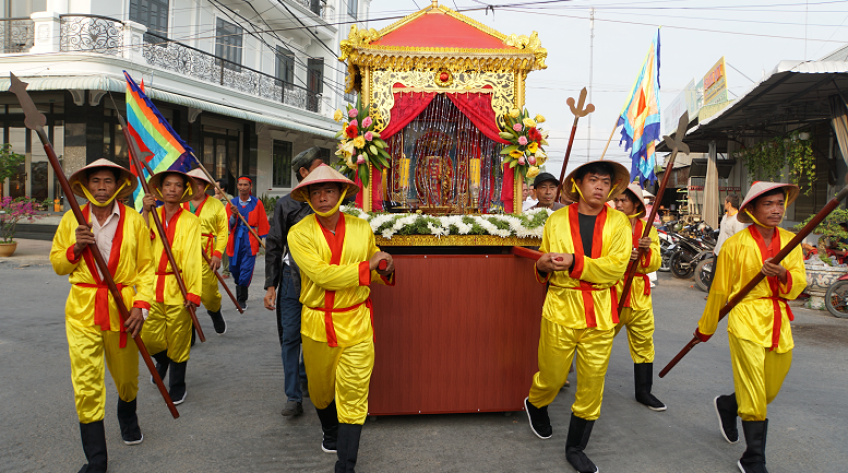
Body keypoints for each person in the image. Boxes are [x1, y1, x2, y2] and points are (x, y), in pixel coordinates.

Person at [524, 160, 631, 473]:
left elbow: (614, 268)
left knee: (592, 385)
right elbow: (545, 260)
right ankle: (536, 402)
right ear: (578, 185)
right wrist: (542, 266)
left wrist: (573, 261)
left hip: (600, 311)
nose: (599, 186)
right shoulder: (556, 221)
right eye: (592, 180)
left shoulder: (619, 223)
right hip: (560, 306)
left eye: (604, 181)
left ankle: (576, 447)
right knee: (553, 377)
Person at [287, 164, 396, 472]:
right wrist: (369, 268)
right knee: (320, 393)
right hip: (317, 324)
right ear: (308, 197)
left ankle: (345, 465)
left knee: (353, 396)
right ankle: (329, 429)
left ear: (341, 193)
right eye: (316, 192)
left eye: (329, 191)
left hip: (357, 323)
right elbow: (322, 276)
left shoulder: (362, 229)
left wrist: (385, 266)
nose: (323, 197)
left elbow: (377, 264)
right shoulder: (299, 233)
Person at [50, 159, 154, 472]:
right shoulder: (73, 219)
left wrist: (141, 305)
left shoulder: (135, 220)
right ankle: (96, 459)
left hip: (122, 308)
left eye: (108, 181)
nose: (101, 187)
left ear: (119, 185)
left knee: (126, 376)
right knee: (86, 381)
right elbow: (57, 263)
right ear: (84, 185)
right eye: (95, 181)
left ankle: (127, 414)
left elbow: (146, 268)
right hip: (82, 308)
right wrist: (75, 249)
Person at [696, 182, 805, 473]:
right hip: (745, 318)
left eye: (780, 203)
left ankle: (729, 405)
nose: (776, 209)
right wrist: (706, 328)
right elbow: (719, 291)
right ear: (753, 209)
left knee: (769, 388)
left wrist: (783, 274)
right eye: (768, 204)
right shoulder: (735, 245)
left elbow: (799, 284)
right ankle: (753, 457)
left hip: (778, 317)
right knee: (755, 392)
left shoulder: (792, 241)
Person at [264, 147, 325, 417]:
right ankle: (293, 396)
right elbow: (274, 246)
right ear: (303, 172)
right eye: (318, 166)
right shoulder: (286, 204)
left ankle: (305, 374)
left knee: (316, 336)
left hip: (322, 280)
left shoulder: (327, 202)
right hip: (291, 280)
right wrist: (270, 286)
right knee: (290, 338)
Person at [141, 170, 202, 406]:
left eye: (178, 185)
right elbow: (140, 240)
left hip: (179, 286)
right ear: (160, 189)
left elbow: (193, 259)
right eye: (168, 185)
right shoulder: (151, 214)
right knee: (148, 338)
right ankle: (162, 360)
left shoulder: (191, 221)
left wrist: (193, 292)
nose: (172, 189)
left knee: (179, 339)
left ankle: (178, 385)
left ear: (184, 191)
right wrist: (145, 212)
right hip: (151, 286)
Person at [612, 183, 666, 411]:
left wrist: (646, 252)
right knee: (600, 339)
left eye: (624, 200)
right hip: (613, 291)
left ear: (636, 203)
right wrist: (626, 257)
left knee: (644, 342)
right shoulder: (609, 224)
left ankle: (644, 391)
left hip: (640, 294)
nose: (619, 204)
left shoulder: (648, 228)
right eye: (617, 200)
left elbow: (656, 262)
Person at [184, 169, 228, 335]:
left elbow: (223, 231)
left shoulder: (216, 204)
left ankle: (214, 311)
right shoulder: (180, 203)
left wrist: (218, 253)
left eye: (200, 184)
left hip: (207, 256)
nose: (196, 188)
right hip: (184, 256)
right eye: (193, 184)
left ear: (205, 186)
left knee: (209, 294)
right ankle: (190, 328)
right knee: (185, 292)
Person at [226, 176, 270, 309]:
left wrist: (265, 241)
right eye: (240, 184)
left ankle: (241, 299)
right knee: (234, 269)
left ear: (250, 187)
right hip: (234, 240)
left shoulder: (257, 203)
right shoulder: (231, 203)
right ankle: (240, 289)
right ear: (237, 186)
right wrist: (234, 215)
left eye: (246, 185)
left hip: (250, 239)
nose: (243, 187)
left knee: (246, 270)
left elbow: (262, 222)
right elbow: (227, 225)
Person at [214, 180, 233, 279]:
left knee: (225, 252)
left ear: (222, 189)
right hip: (215, 229)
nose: (214, 188)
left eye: (216, 187)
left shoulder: (229, 199)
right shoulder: (212, 199)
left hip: (226, 229)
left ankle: (226, 270)